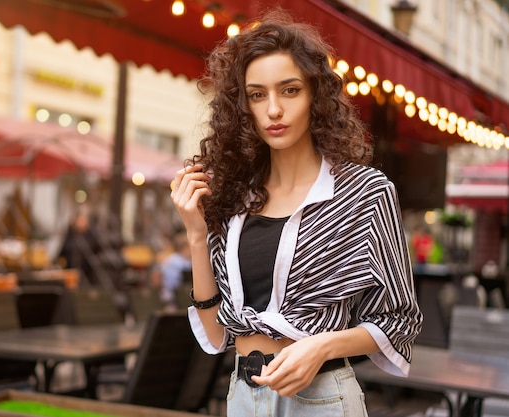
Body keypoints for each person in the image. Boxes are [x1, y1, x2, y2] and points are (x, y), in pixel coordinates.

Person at [170, 9, 422, 417]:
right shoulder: (232, 197)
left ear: (314, 95)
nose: (273, 110)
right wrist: (197, 236)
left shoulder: (364, 193)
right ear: (243, 107)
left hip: (321, 396)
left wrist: (322, 345)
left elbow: (400, 319)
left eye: (289, 90)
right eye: (257, 95)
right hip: (242, 396)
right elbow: (217, 335)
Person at [159, 232, 192, 311]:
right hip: (174, 300)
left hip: (179, 298)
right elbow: (173, 285)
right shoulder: (176, 262)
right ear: (184, 248)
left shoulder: (185, 261)